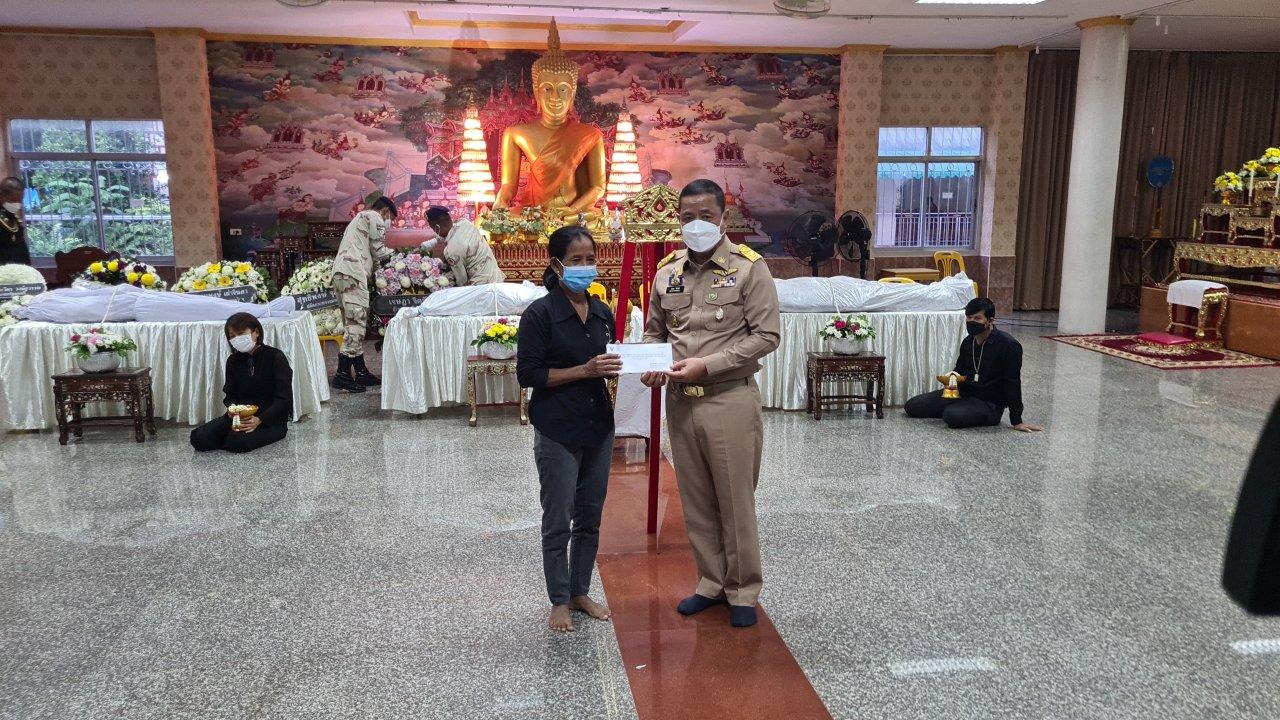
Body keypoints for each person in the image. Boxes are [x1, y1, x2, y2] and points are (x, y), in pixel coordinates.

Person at [639, 179, 781, 629]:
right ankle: (710, 582)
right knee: (696, 498)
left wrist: (709, 364)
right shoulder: (668, 272)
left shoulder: (749, 268)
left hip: (729, 399)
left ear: (724, 217)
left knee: (734, 499)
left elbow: (766, 336)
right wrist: (651, 362)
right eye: (687, 217)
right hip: (681, 402)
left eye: (705, 215)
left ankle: (742, 589)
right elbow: (655, 332)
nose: (695, 224)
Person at [516, 225, 621, 633]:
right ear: (556, 264)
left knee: (590, 516)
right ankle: (558, 599)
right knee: (558, 517)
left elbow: (611, 361)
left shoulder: (601, 312)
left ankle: (580, 590)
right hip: (557, 427)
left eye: (590, 259)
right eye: (575, 260)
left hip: (598, 425)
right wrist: (584, 370)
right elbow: (529, 374)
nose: (584, 267)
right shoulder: (540, 314)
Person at [903, 297, 1043, 432]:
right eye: (969, 318)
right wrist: (951, 384)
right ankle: (960, 407)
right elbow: (959, 369)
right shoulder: (968, 342)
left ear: (990, 321)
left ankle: (964, 410)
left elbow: (1012, 382)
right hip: (963, 393)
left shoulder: (1009, 345)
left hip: (989, 403)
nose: (971, 322)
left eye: (977, 318)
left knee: (951, 415)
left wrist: (1016, 420)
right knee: (912, 406)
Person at [191, 313, 292, 453]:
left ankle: (230, 437)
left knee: (237, 442)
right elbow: (230, 393)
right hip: (240, 417)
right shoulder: (233, 361)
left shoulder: (275, 357)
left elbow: (284, 399)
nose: (236, 339)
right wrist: (232, 409)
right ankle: (228, 435)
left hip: (269, 420)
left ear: (256, 332)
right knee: (198, 438)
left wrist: (259, 419)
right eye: (232, 336)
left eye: (241, 333)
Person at [331, 195, 397, 393]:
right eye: (390, 219)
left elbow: (372, 255)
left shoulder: (359, 219)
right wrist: (400, 257)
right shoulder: (374, 217)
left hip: (343, 273)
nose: (389, 224)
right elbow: (379, 251)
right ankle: (342, 375)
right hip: (353, 274)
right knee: (357, 325)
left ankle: (360, 372)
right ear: (385, 212)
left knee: (352, 323)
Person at [425, 206, 506, 286]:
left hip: (482, 288)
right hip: (497, 279)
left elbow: (462, 280)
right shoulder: (464, 223)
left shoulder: (451, 252)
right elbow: (449, 234)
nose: (435, 232)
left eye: (433, 229)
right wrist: (431, 242)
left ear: (437, 227)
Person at [0, 177, 31, 266]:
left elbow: (21, 248)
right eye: (14, 200)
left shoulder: (14, 219)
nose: (18, 204)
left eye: (20, 200)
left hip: (20, 270)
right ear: (1, 196)